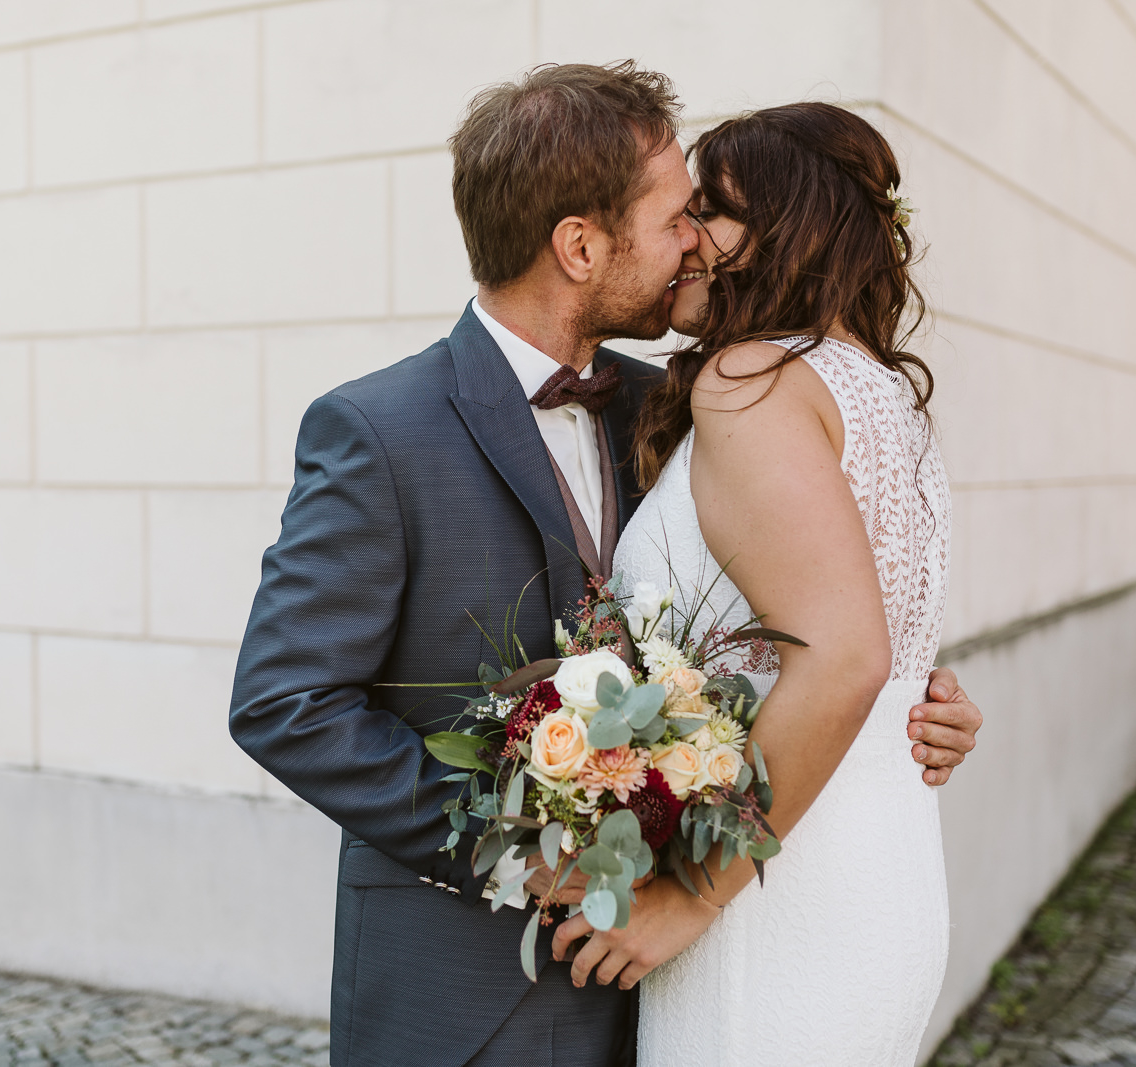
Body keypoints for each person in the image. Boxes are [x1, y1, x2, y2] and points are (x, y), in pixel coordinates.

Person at [230, 64, 981, 1067]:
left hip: (688, 956)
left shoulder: (680, 402)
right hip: (469, 984)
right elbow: (286, 700)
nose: (693, 240)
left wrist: (905, 705)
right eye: (679, 213)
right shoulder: (376, 429)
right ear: (580, 245)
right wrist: (522, 859)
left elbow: (802, 617)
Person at [550, 101, 955, 1065]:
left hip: (771, 898)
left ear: (786, 223)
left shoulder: (754, 378)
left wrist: (685, 896)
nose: (685, 240)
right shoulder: (881, 394)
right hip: (880, 866)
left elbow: (849, 656)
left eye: (708, 212)